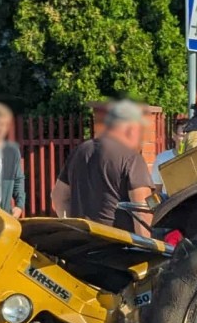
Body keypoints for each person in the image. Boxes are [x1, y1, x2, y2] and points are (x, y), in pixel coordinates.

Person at [52, 100, 154, 237]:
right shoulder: (131, 158)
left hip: (82, 244)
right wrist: (145, 249)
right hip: (117, 246)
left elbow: (58, 197)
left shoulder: (79, 152)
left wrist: (74, 228)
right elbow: (141, 210)